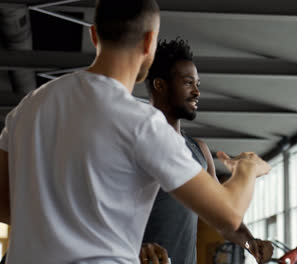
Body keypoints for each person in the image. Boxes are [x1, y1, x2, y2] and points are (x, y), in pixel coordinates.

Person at [0, 0, 270, 263]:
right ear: (149, 41)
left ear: (94, 35)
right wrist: (247, 168)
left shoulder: (29, 107)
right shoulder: (141, 123)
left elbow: (3, 203)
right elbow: (230, 213)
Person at [140, 38, 274, 264]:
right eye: (188, 83)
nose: (196, 92)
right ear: (160, 85)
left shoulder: (198, 150)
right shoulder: (139, 141)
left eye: (198, 84)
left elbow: (219, 215)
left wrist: (251, 243)